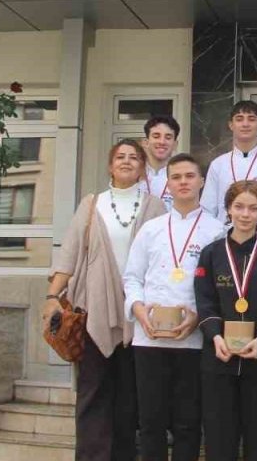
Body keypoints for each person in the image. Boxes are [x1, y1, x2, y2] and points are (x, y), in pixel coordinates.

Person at [43, 139, 167, 461]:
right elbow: (68, 254)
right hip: (93, 309)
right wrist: (52, 296)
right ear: (110, 166)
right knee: (92, 393)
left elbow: (164, 258)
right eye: (120, 157)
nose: (127, 161)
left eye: (134, 158)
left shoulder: (156, 207)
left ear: (142, 167)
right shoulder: (91, 204)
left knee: (129, 399)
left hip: (138, 314)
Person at [123, 154, 224, 461]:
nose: (183, 182)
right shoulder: (151, 228)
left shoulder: (216, 230)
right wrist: (139, 312)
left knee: (188, 421)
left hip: (193, 340)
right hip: (148, 337)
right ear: (167, 183)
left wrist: (197, 320)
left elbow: (218, 289)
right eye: (176, 177)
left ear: (202, 182)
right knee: (151, 421)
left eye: (189, 176)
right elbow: (131, 277)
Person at [195, 179, 257, 461]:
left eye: (253, 208)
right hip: (218, 357)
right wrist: (216, 337)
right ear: (228, 209)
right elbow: (205, 300)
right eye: (239, 207)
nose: (245, 214)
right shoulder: (210, 253)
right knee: (219, 435)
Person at [201, 100, 257, 220]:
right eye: (239, 119)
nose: (245, 124)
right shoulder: (218, 164)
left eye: (251, 119)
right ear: (231, 125)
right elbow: (207, 209)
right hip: (224, 233)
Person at [141, 115, 181, 208]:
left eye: (168, 137)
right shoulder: (134, 175)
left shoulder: (182, 176)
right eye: (156, 136)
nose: (162, 142)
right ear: (146, 142)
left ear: (175, 144)